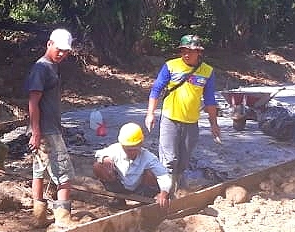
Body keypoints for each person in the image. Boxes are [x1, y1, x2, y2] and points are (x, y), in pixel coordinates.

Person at [144, 34, 221, 196]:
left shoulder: (207, 71)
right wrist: (150, 113)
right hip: (170, 119)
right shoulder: (171, 66)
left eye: (190, 51)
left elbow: (210, 100)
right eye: (183, 51)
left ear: (199, 52)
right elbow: (156, 89)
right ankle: (165, 194)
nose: (186, 54)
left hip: (191, 122)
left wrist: (214, 124)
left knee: (183, 161)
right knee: (169, 160)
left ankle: (178, 191)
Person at [26, 28, 75, 228]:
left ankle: (39, 216)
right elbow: (33, 102)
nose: (62, 54)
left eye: (66, 51)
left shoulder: (52, 66)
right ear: (49, 44)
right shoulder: (42, 68)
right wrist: (36, 132)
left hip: (48, 128)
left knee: (39, 170)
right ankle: (63, 219)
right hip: (47, 131)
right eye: (59, 49)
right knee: (65, 174)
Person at [93, 123, 172, 208]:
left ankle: (144, 201)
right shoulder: (115, 149)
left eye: (134, 149)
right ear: (121, 145)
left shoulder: (148, 157)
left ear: (141, 144)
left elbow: (163, 176)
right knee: (98, 166)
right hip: (120, 186)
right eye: (128, 149)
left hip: (141, 189)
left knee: (150, 173)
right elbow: (99, 154)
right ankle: (118, 198)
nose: (131, 152)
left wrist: (164, 192)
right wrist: (105, 159)